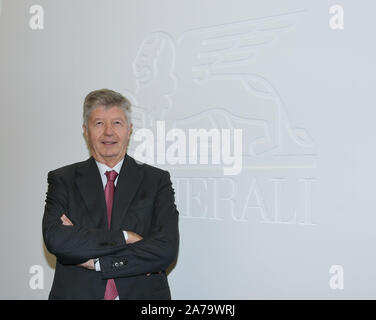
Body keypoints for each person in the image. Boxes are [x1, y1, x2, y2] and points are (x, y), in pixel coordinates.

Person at [42, 89, 179, 300]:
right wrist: (126, 237)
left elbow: (165, 249)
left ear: (129, 130)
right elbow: (57, 240)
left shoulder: (157, 181)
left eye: (117, 123)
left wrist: (97, 262)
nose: (108, 132)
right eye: (98, 123)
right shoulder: (63, 180)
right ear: (85, 130)